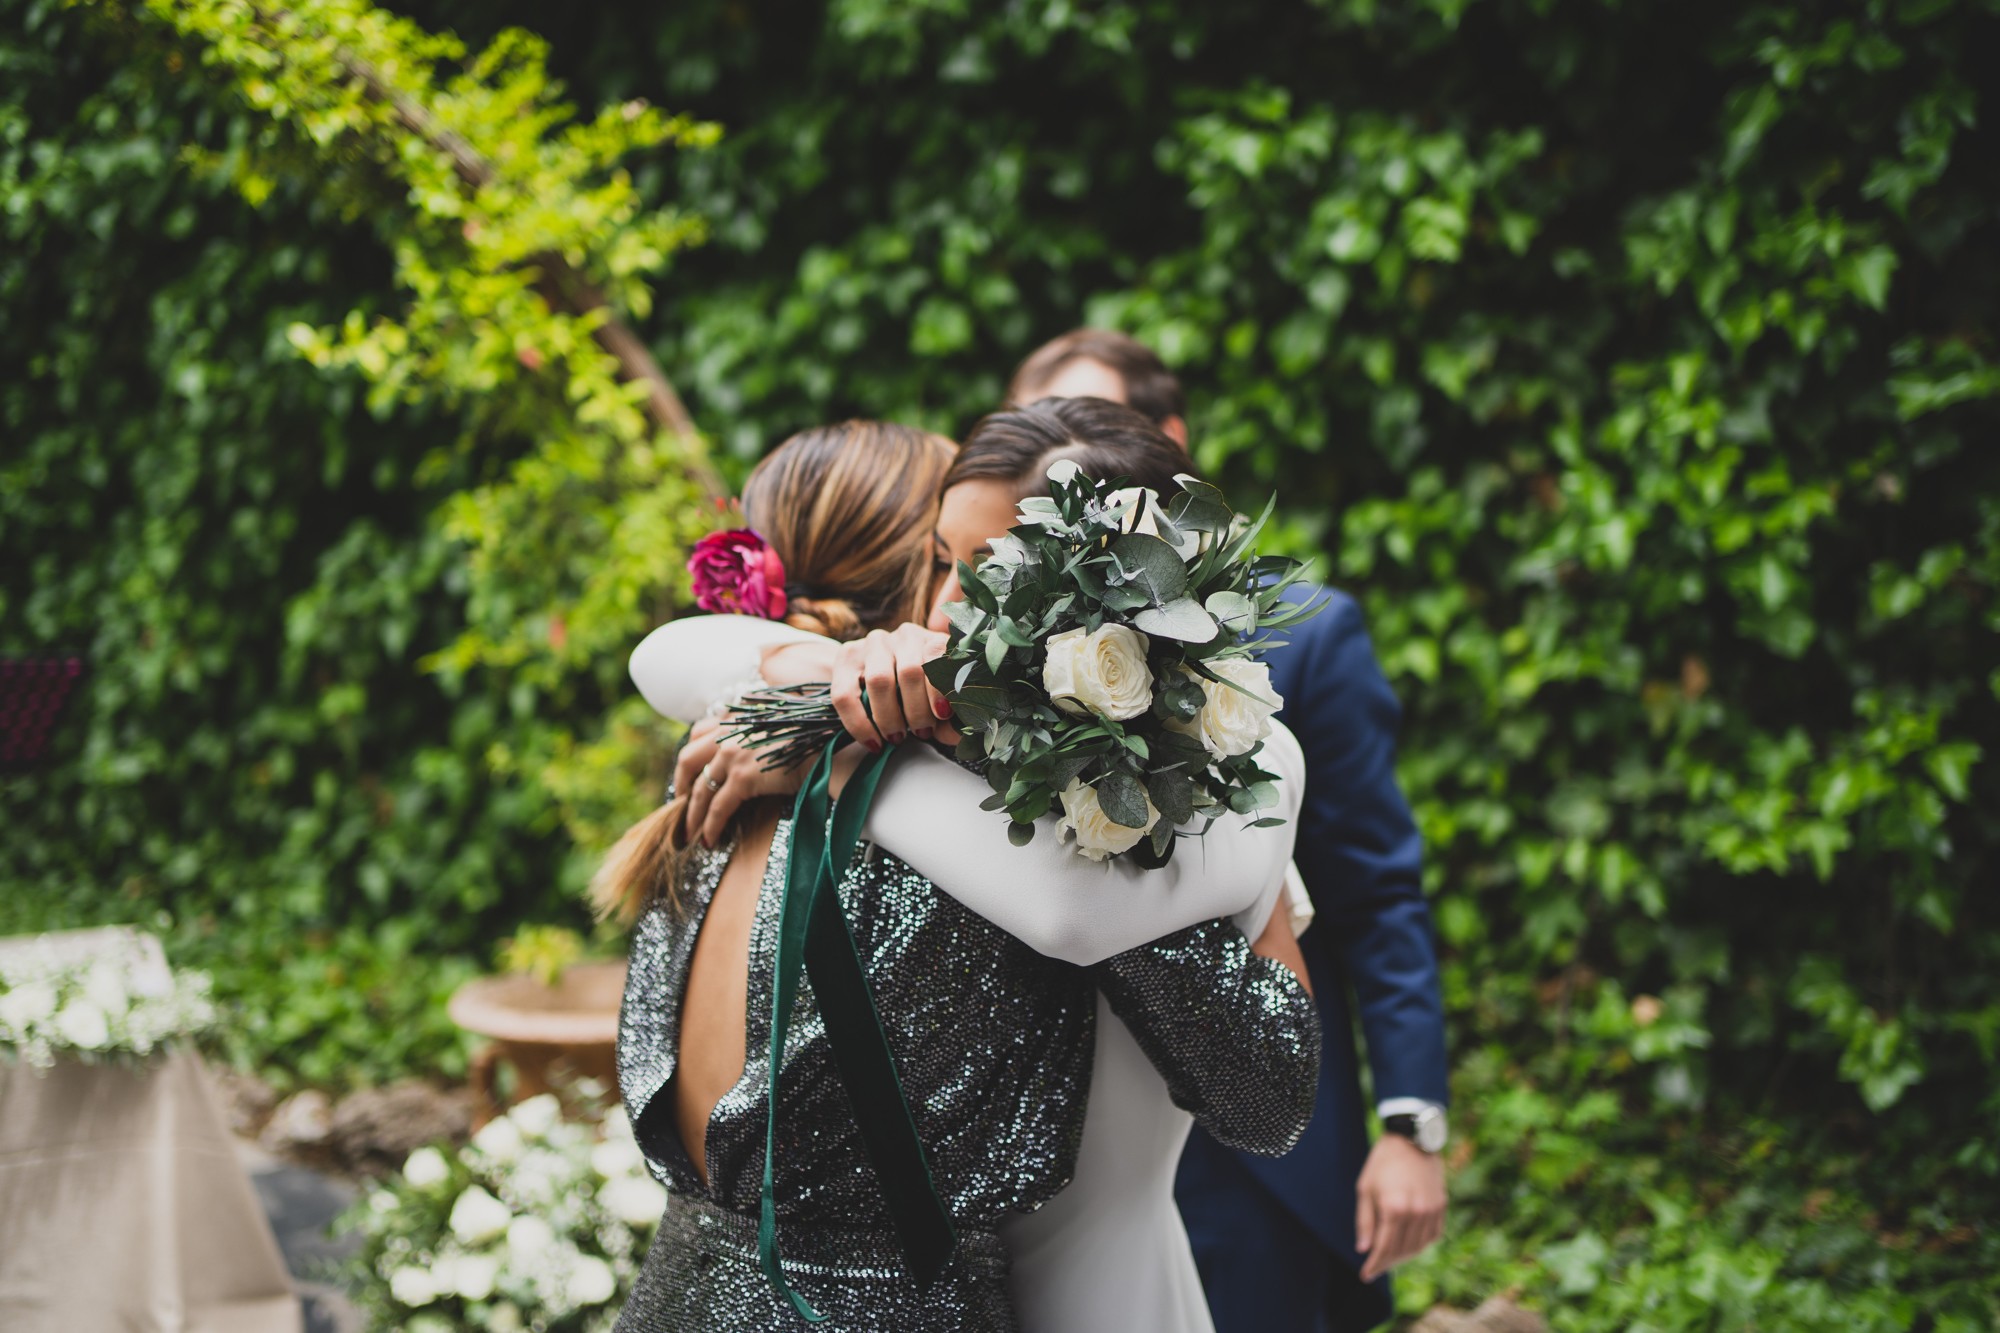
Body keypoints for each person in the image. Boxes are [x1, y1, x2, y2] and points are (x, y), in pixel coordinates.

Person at [605, 419, 1319, 1332]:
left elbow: (1087, 908)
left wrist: (826, 732)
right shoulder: (990, 836)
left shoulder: (731, 753)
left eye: (986, 575)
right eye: (941, 561)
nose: (942, 613)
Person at [1010, 330, 1452, 1332]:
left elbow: (1377, 891)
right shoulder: (994, 644)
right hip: (1059, 1156)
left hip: (1251, 1158)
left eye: (1095, 428)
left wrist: (1409, 1124)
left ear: (1167, 440)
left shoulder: (1308, 632)